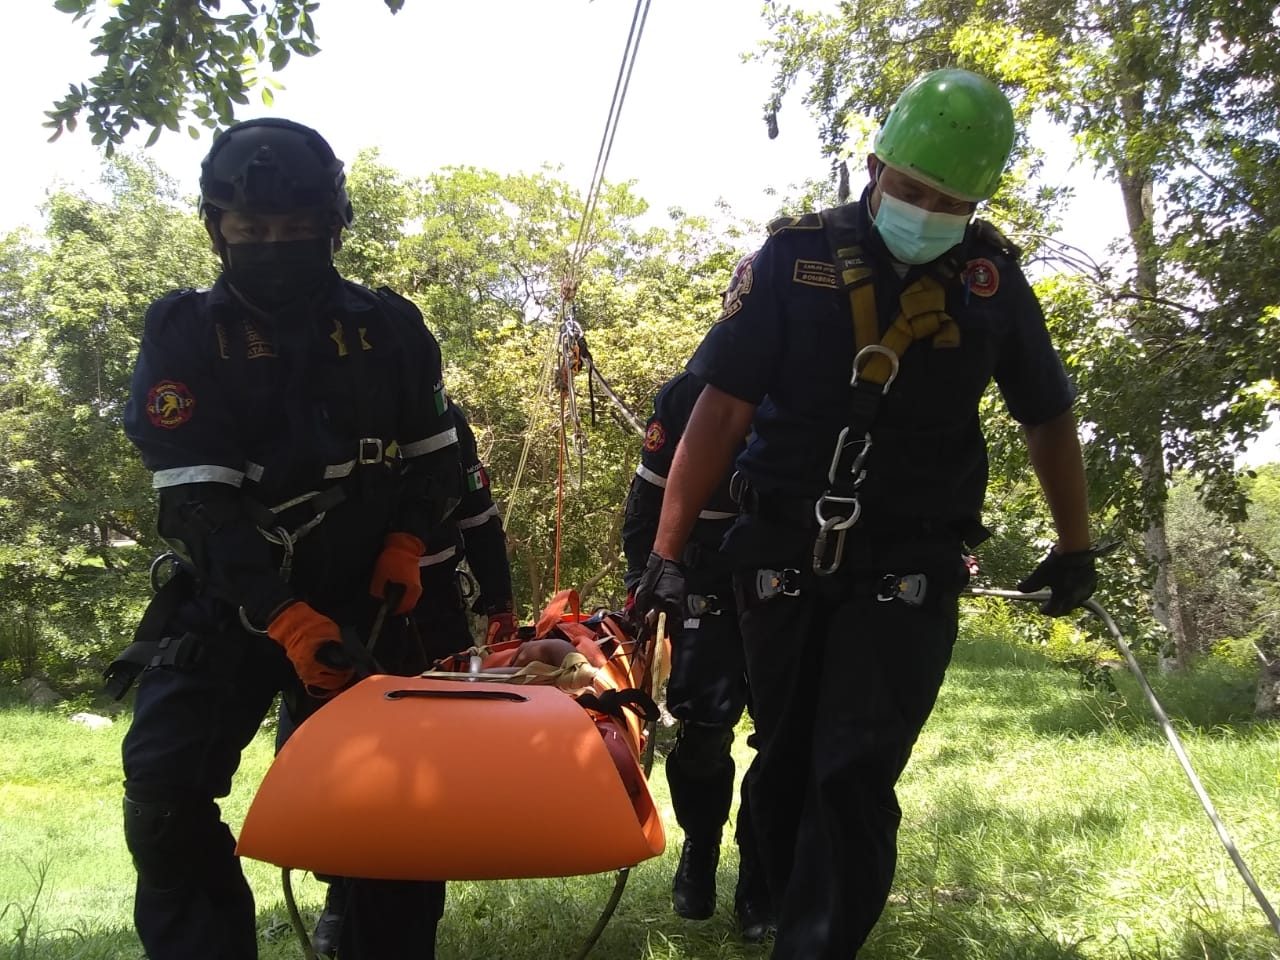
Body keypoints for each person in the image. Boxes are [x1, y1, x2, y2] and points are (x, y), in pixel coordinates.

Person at [635, 69, 1100, 958]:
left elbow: (1046, 413)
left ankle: (814, 946)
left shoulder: (992, 281)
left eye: (952, 201)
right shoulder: (791, 260)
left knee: (853, 769)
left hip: (913, 554)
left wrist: (1073, 545)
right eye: (913, 188)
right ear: (875, 165)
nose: (927, 211)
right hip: (777, 542)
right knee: (784, 759)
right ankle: (771, 893)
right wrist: (666, 552)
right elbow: (721, 408)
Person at [108, 117, 462, 960]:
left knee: (391, 813)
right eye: (252, 230)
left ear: (332, 228)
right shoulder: (184, 332)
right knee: (161, 794)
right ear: (216, 228)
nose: (273, 245)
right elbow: (198, 506)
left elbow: (439, 464)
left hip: (365, 606)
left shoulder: (391, 327)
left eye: (296, 230)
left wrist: (408, 544)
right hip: (236, 600)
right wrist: (285, 617)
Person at [306, 403, 516, 958]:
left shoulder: (444, 421)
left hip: (431, 610)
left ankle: (416, 906)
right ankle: (339, 891)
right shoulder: (321, 407)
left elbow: (478, 516)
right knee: (331, 758)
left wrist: (501, 601)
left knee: (427, 770)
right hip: (339, 609)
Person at [621, 371, 772, 942]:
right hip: (704, 586)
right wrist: (647, 581)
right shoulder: (691, 395)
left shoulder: (817, 385)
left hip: (791, 587)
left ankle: (760, 883)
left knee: (781, 742)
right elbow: (645, 504)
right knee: (705, 731)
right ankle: (701, 845)